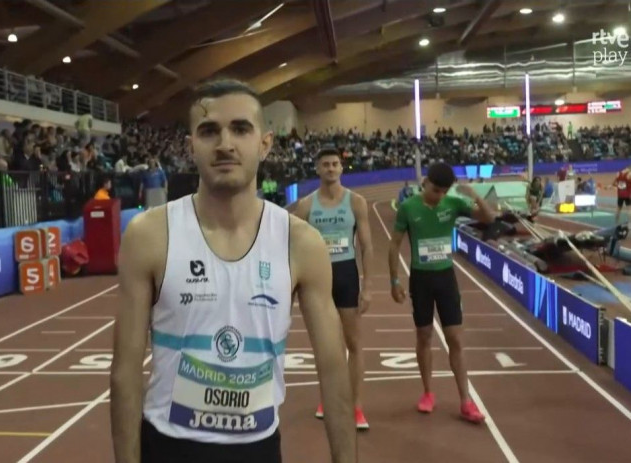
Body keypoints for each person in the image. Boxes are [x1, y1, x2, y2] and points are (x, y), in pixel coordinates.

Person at [110, 79, 356, 463]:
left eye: (240, 129)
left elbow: (332, 366)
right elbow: (125, 374)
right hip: (168, 447)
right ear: (191, 147)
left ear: (265, 143)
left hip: (257, 449)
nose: (225, 143)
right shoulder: (149, 235)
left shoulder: (301, 243)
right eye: (209, 131)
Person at [387, 162, 495, 424]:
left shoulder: (453, 204)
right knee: (424, 336)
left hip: (446, 278)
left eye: (444, 191)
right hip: (421, 280)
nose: (439, 196)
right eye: (435, 190)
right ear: (425, 182)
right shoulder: (408, 207)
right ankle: (427, 393)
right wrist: (394, 281)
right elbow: (394, 245)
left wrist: (475, 196)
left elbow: (489, 218)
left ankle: (466, 402)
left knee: (455, 339)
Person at [293, 145, 374, 430]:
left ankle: (356, 406)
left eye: (335, 164)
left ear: (341, 168)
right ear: (317, 169)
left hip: (346, 275)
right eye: (325, 164)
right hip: (317, 279)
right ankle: (327, 399)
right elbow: (294, 248)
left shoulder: (356, 202)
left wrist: (367, 287)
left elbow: (366, 245)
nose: (330, 168)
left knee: (353, 342)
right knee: (326, 346)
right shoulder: (305, 206)